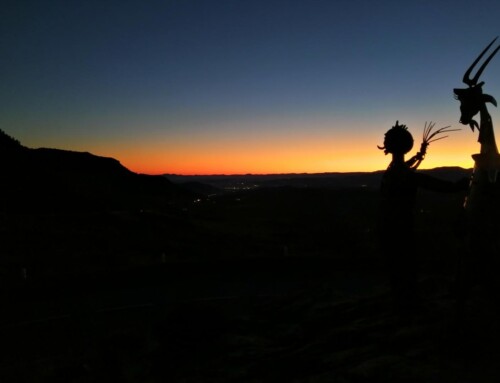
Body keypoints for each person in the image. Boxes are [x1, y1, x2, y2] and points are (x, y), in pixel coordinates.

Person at [377, 121, 468, 314]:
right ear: (406, 145)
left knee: (399, 268)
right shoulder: (403, 174)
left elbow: (407, 167)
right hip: (401, 229)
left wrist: (419, 155)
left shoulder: (393, 169)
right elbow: (438, 185)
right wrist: (461, 184)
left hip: (389, 228)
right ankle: (408, 307)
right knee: (406, 267)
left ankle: (403, 303)